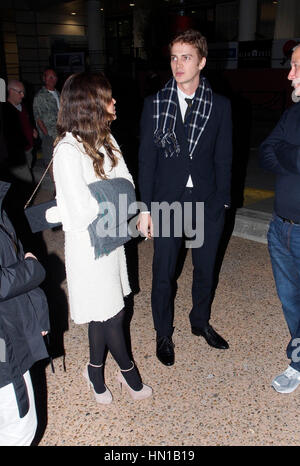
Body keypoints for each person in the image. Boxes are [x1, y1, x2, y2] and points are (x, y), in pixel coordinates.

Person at [46, 72, 152, 403]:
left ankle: (94, 368)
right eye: (108, 97)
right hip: (88, 248)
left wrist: (104, 196)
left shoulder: (105, 138)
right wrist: (112, 196)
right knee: (110, 313)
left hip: (110, 238)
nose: (114, 101)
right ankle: (128, 373)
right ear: (91, 103)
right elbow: (79, 212)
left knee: (108, 309)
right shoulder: (66, 150)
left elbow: (128, 184)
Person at [138, 29, 232, 366]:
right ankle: (163, 332)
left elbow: (224, 158)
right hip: (167, 201)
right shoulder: (156, 104)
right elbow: (147, 161)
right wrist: (145, 208)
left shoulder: (219, 106)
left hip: (206, 202)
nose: (178, 64)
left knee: (205, 269)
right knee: (164, 273)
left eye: (186, 57)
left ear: (202, 62)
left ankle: (200, 322)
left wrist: (222, 202)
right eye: (174, 57)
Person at [259, 44, 300, 394]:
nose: (289, 75)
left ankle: (297, 362)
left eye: (297, 67)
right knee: (290, 300)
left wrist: (287, 152)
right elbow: (266, 151)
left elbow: (280, 151)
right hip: (280, 229)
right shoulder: (293, 115)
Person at [0, 181, 50, 446]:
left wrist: (35, 315)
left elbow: (13, 255)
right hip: (3, 344)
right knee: (19, 425)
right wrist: (32, 269)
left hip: (12, 324)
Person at [3, 79, 38, 181]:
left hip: (28, 150)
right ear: (10, 91)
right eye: (20, 92)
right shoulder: (5, 110)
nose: (22, 95)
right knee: (26, 181)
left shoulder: (22, 106)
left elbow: (26, 122)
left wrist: (32, 130)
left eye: (23, 92)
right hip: (17, 155)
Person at [33, 69, 59, 175]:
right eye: (49, 77)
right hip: (49, 135)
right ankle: (55, 187)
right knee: (50, 162)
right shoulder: (40, 96)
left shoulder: (58, 93)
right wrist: (46, 134)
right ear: (44, 79)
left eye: (54, 76)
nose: (52, 79)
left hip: (61, 133)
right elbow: (38, 118)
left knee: (60, 160)